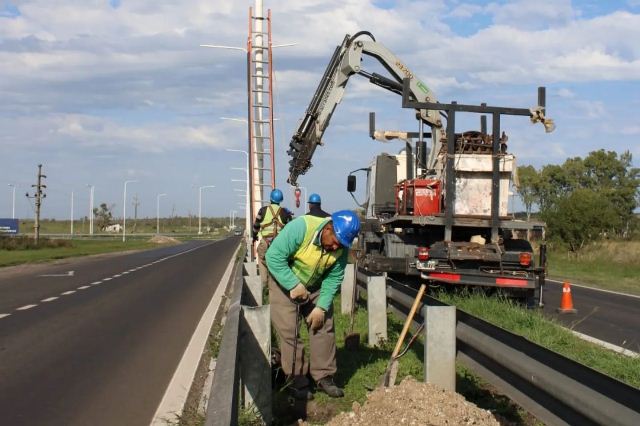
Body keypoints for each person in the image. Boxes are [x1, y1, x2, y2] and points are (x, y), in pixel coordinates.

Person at [265, 210, 360, 400]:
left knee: (323, 325)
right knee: (289, 331)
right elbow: (273, 257)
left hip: (315, 284)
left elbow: (333, 278)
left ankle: (324, 376)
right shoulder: (301, 228)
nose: (335, 246)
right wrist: (293, 284)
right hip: (284, 281)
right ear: (327, 227)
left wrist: (321, 307)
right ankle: (297, 380)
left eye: (340, 244)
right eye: (334, 240)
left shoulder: (340, 248)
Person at [252, 188, 293, 287]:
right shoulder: (285, 212)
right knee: (280, 264)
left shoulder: (263, 210)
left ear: (270, 199)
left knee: (262, 261)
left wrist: (255, 236)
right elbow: (291, 229)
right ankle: (279, 285)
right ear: (281, 200)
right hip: (280, 245)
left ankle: (264, 285)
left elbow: (256, 226)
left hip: (265, 243)